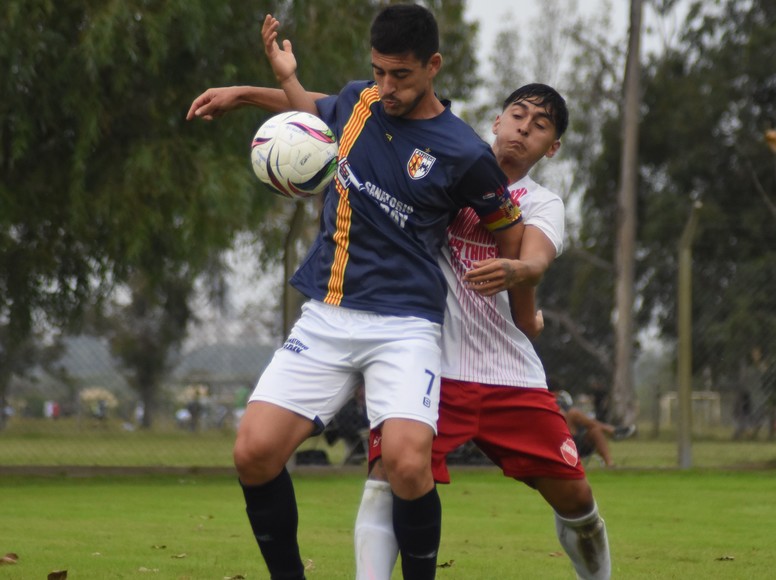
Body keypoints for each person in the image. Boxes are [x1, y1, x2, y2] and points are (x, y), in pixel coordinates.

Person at [187, 6, 524, 580]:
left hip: (406, 325)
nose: (386, 88)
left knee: (407, 464)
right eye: (377, 72)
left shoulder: (464, 152)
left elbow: (510, 229)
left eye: (401, 75)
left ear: (433, 66)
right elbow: (315, 110)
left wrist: (517, 273)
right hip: (328, 314)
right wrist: (245, 92)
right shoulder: (361, 101)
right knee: (254, 453)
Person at [356, 84, 612, 580]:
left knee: (577, 498)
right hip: (428, 365)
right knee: (388, 473)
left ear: (551, 147)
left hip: (509, 375)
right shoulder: (447, 169)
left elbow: (535, 258)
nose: (523, 128)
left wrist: (520, 272)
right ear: (496, 121)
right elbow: (353, 114)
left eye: (540, 126)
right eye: (517, 115)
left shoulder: (542, 202)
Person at [556, 390, 636, 467]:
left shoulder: (559, 400)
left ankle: (610, 465)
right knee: (573, 413)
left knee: (595, 430)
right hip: (561, 444)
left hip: (576, 442)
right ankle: (612, 431)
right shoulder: (549, 405)